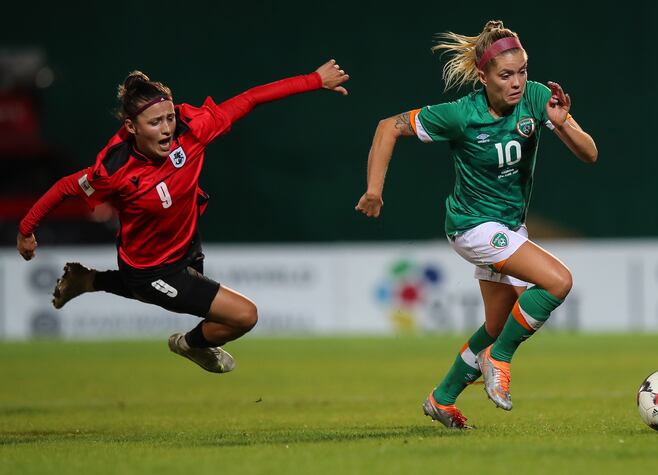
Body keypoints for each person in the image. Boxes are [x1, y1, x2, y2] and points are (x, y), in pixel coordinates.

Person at [17, 60, 350, 373]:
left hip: (188, 248)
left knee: (219, 316)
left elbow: (250, 99)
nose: (166, 130)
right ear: (131, 127)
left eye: (169, 118)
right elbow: (63, 187)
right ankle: (188, 344)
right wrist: (26, 230)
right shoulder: (114, 171)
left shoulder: (193, 132)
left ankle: (89, 280)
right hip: (149, 269)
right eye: (154, 122)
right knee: (245, 316)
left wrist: (315, 80)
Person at [356, 20, 597, 429]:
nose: (518, 82)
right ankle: (499, 358)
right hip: (472, 227)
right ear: (483, 76)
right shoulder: (460, 115)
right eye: (506, 75)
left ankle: (443, 398)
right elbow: (388, 127)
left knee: (497, 324)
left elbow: (589, 154)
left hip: (508, 227)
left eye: (522, 71)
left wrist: (563, 121)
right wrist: (374, 190)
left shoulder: (538, 98)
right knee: (558, 281)